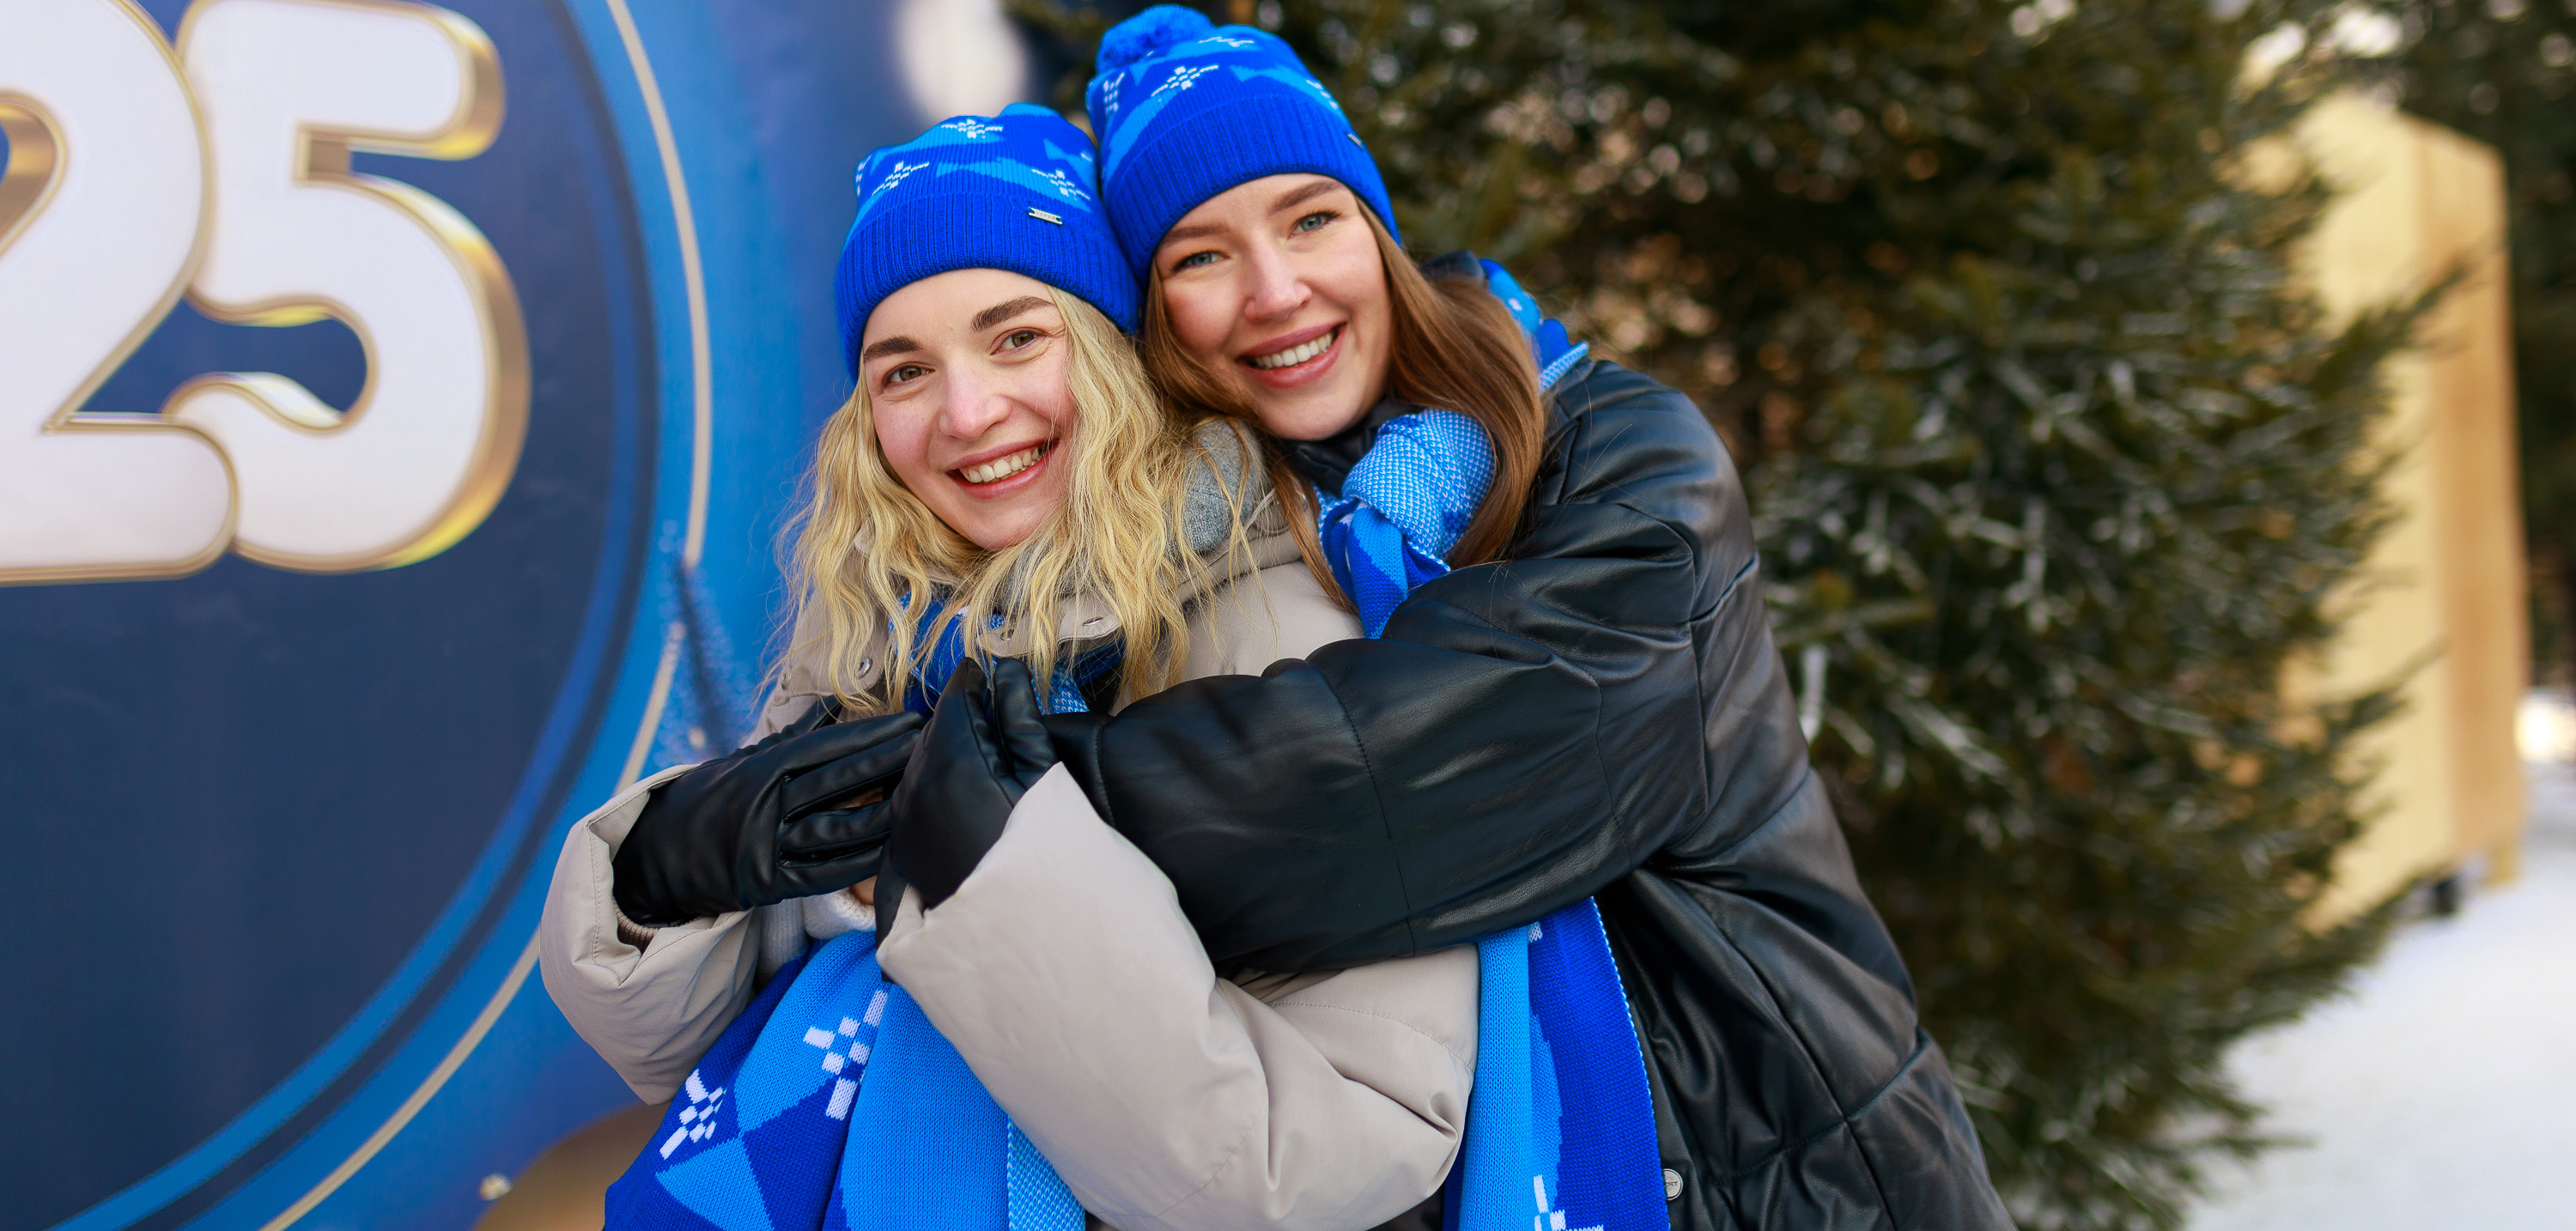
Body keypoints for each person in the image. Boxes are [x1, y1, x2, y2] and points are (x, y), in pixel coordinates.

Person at [899, 10, 2014, 1228]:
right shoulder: (1212, 549)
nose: (1275, 292)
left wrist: (1001, 805)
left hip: (1805, 1171)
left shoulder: (1624, 456)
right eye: (1199, 257)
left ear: (1377, 235)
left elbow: (1432, 772)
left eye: (1311, 219)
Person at [544, 105, 1480, 1230]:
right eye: (904, 370)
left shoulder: (1286, 635)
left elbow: (1339, 1159)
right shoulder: (883, 639)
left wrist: (992, 883)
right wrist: (658, 882)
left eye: (1018, 338)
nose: (968, 411)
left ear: (1117, 357)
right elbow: (692, 1063)